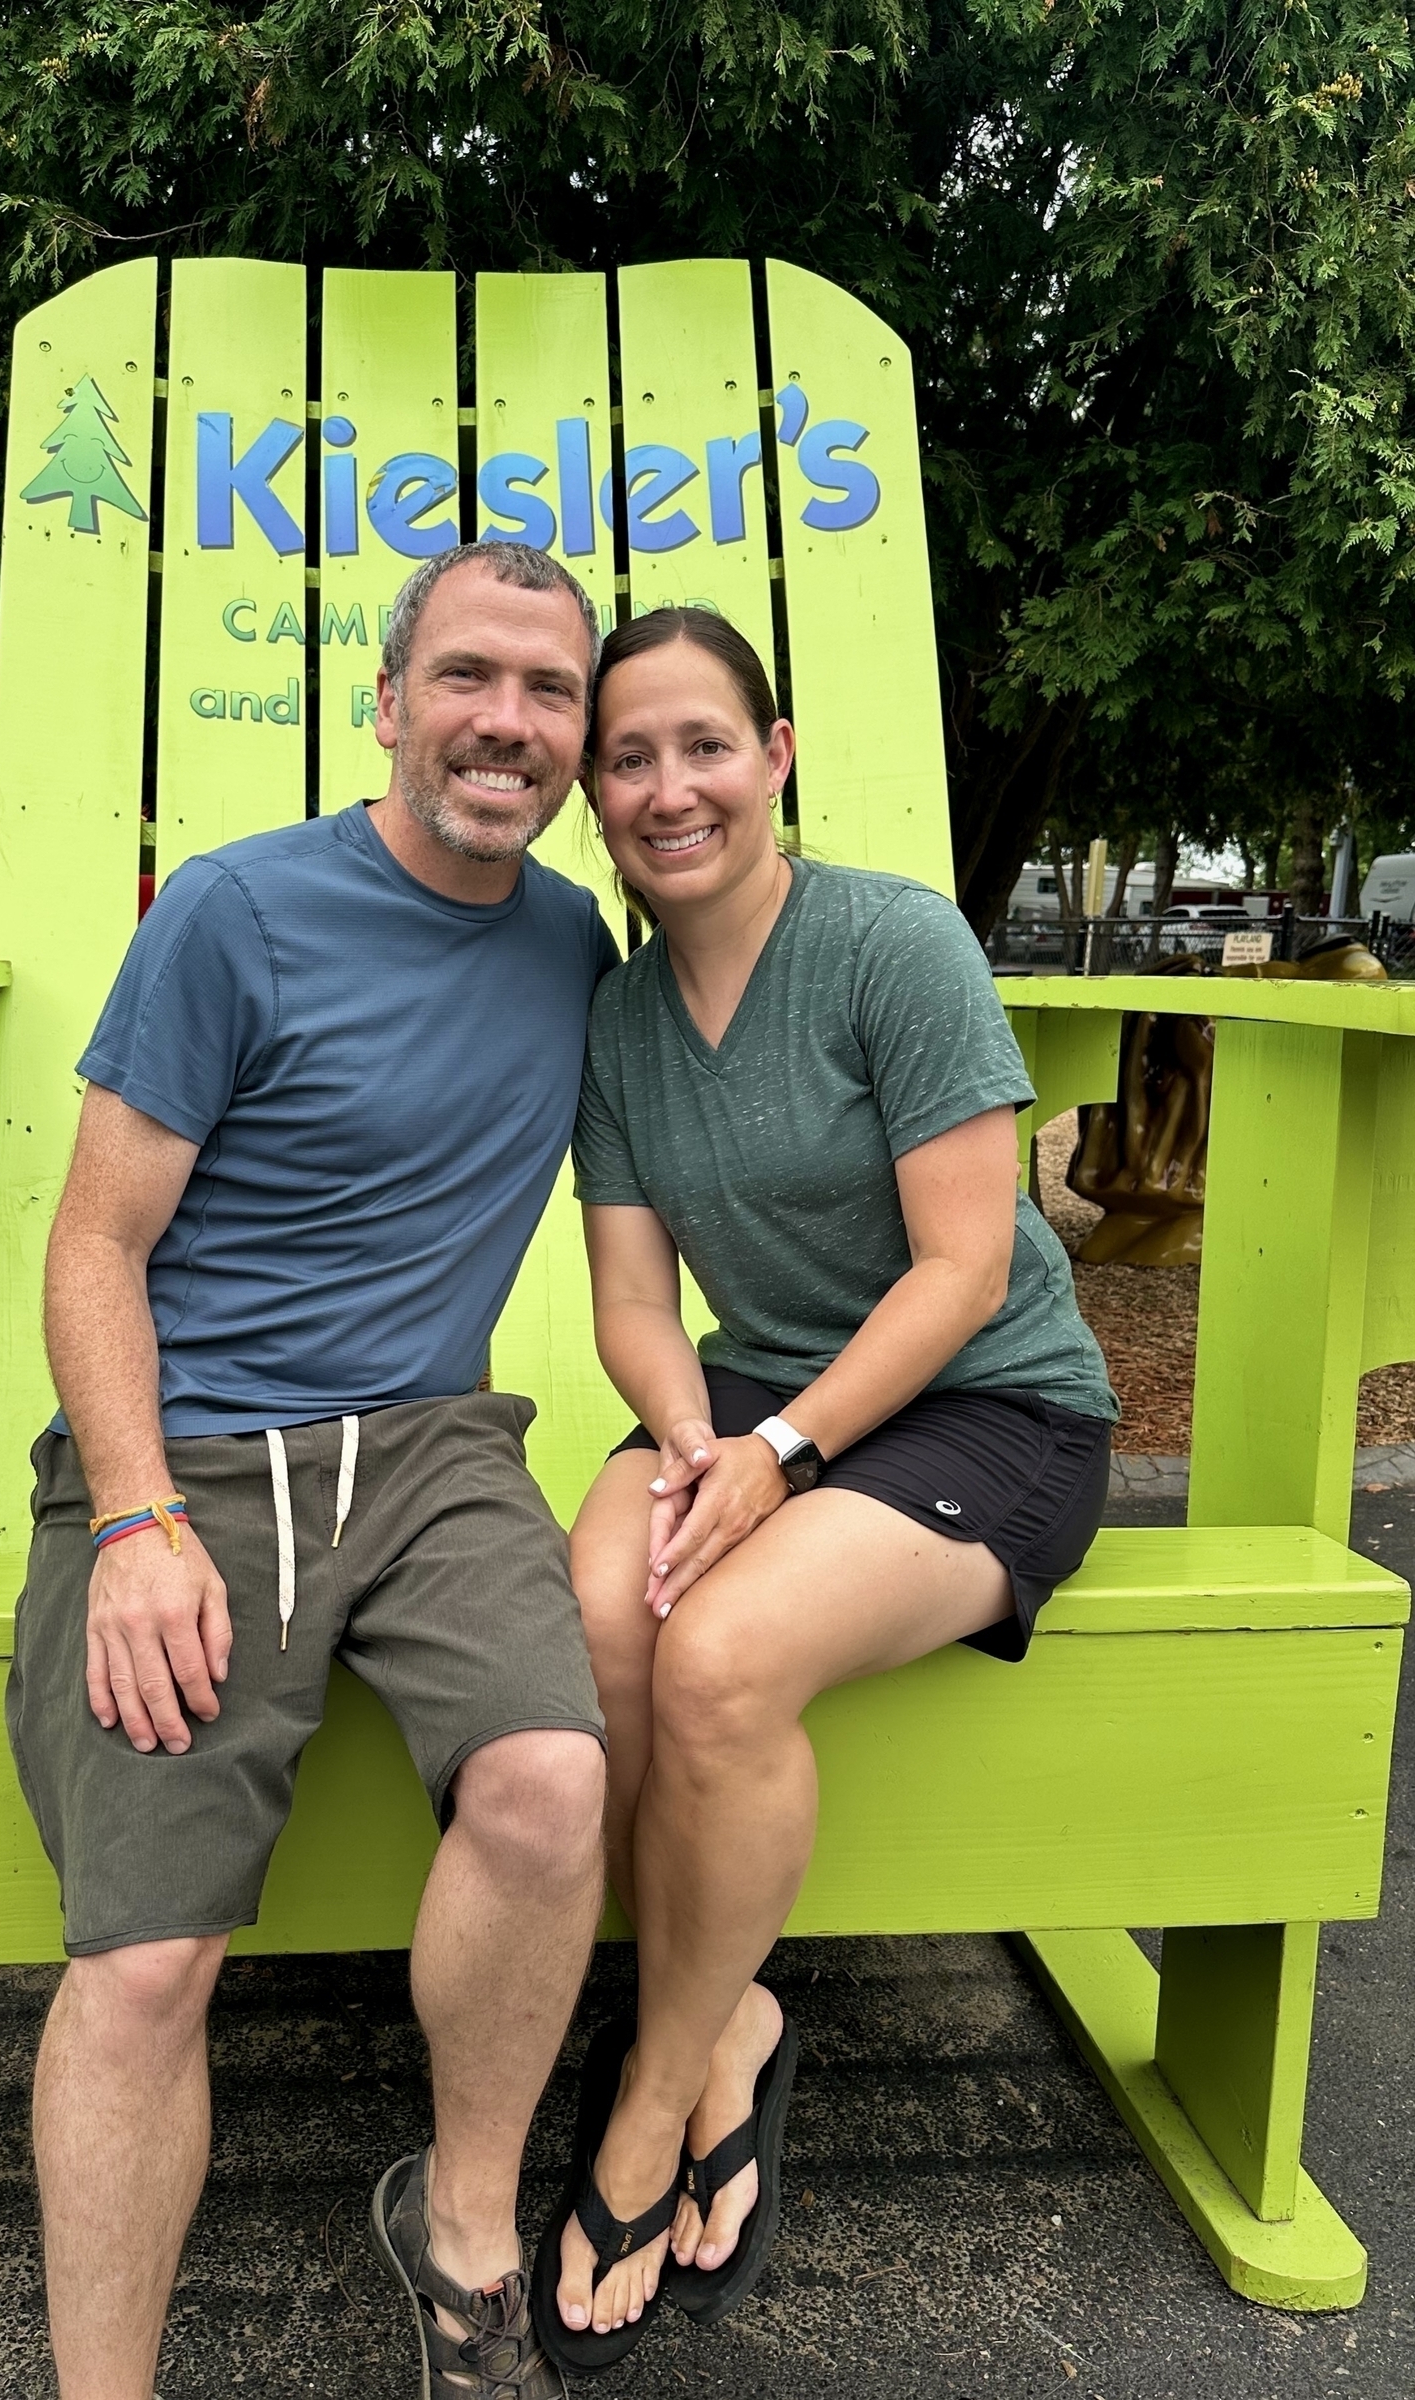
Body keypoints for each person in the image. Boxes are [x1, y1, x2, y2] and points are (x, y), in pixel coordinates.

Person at [11, 542, 622, 2400]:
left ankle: (458, 2234)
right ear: (387, 701)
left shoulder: (573, 947)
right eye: (467, 677)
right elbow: (94, 1246)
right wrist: (131, 1520)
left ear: (581, 741)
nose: (505, 721)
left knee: (547, 1786)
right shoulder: (236, 912)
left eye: (547, 692)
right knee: (143, 1965)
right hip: (188, 1454)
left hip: (433, 1449)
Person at [533, 608, 1117, 2373]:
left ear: (773, 755)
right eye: (626, 758)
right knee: (595, 1620)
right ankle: (735, 2028)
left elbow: (957, 1269)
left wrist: (781, 1462)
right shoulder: (620, 1018)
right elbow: (636, 1300)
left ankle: (652, 2097)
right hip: (756, 1394)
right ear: (594, 794)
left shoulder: (892, 944)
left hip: (984, 1400)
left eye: (702, 743)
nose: (666, 787)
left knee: (716, 1662)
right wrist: (694, 1435)